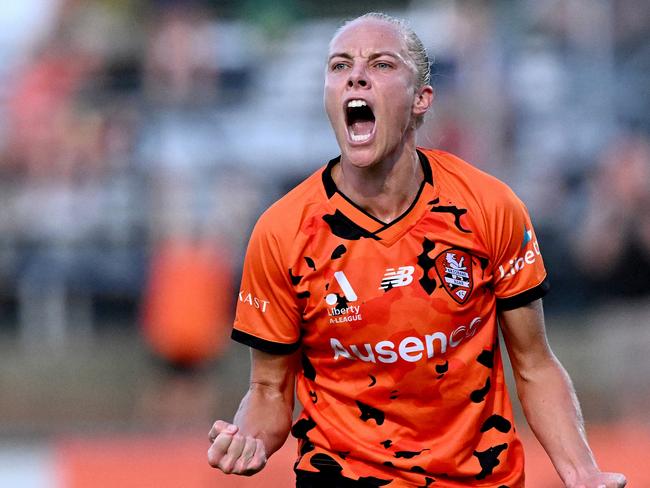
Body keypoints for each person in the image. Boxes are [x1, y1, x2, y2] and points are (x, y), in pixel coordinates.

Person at [207, 12, 627, 488]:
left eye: (382, 64)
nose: (357, 74)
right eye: (340, 65)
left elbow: (534, 365)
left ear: (420, 99)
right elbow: (268, 389)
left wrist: (582, 473)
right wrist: (249, 439)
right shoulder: (284, 231)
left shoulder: (487, 206)